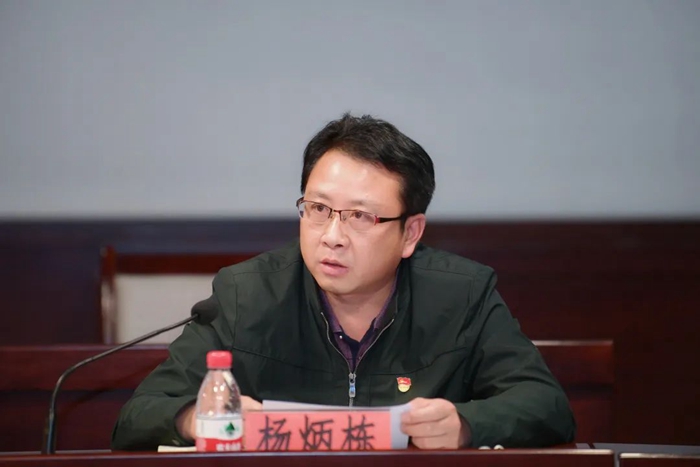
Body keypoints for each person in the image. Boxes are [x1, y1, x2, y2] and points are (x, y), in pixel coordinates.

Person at [111, 113, 576, 450]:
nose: (332, 236)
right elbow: (136, 416)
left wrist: (467, 424)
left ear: (410, 233)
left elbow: (547, 405)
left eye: (360, 216)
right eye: (318, 209)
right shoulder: (245, 295)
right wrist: (196, 419)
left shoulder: (462, 295)